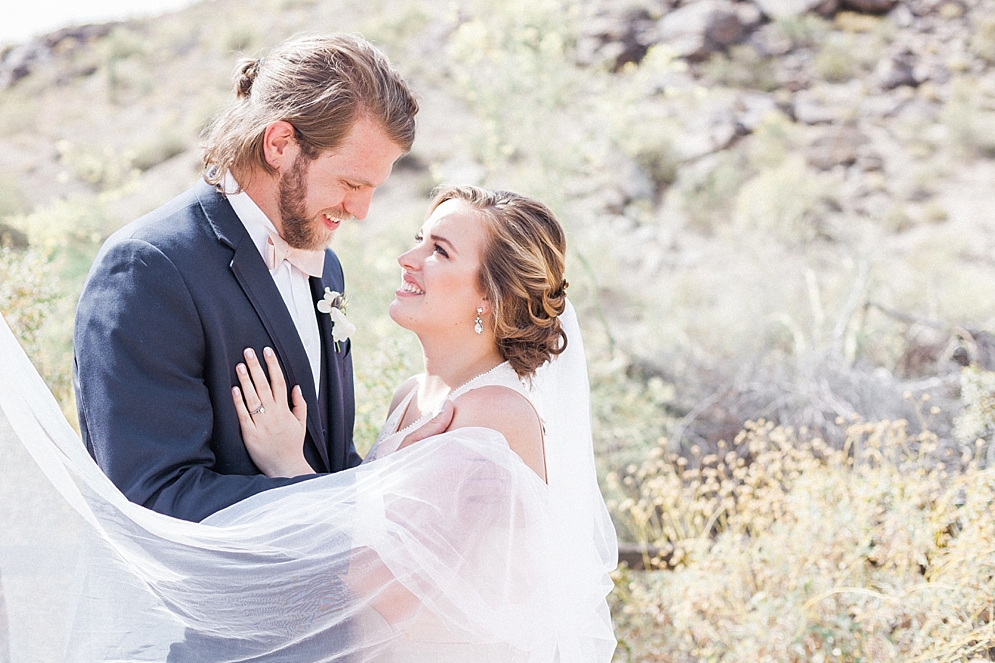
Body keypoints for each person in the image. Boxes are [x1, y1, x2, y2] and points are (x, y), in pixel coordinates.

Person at [0, 186, 617, 661]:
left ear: (490, 295)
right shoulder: (412, 398)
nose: (409, 258)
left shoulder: (494, 416)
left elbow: (387, 587)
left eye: (440, 250)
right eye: (420, 238)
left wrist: (289, 467)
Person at [72, 34, 424, 522]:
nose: (360, 210)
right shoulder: (148, 268)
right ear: (280, 144)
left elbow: (330, 456)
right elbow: (153, 499)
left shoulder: (326, 266)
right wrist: (320, 505)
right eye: (350, 183)